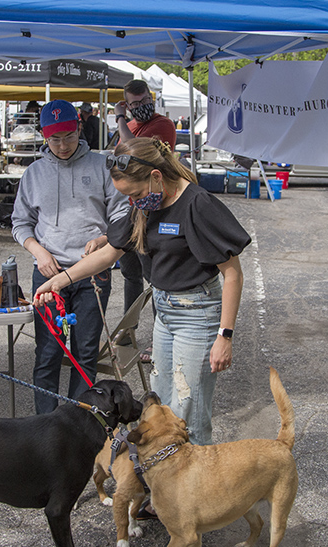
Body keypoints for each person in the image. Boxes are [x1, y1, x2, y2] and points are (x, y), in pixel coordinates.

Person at [36, 137, 250, 446]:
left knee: (187, 409)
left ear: (156, 176)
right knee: (159, 404)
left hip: (198, 313)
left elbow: (233, 275)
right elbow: (110, 253)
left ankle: (194, 486)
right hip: (164, 313)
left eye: (135, 194)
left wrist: (224, 336)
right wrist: (59, 281)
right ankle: (164, 477)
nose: (133, 202)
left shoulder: (197, 204)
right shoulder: (145, 205)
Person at [11, 99, 130, 415]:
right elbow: (20, 222)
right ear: (44, 136)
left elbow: (123, 214)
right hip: (48, 274)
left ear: (79, 128)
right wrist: (38, 251)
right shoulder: (34, 173)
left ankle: (79, 423)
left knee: (85, 354)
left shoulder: (102, 165)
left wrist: (104, 237)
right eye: (54, 139)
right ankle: (45, 423)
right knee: (47, 353)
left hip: (94, 273)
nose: (63, 145)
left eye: (68, 136)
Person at [115, 79, 179, 358]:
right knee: (130, 273)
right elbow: (119, 160)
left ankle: (159, 337)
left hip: (154, 207)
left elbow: (134, 155)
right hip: (133, 207)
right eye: (134, 104)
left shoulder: (162, 124)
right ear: (128, 103)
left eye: (144, 102)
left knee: (155, 277)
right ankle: (129, 332)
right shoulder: (130, 126)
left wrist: (119, 119)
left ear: (151, 99)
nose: (141, 108)